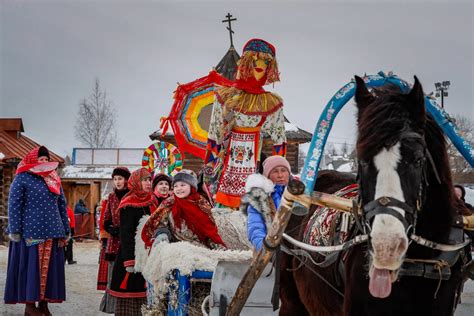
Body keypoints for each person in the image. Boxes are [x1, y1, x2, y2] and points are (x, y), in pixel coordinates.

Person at [204, 38, 287, 208]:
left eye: (265, 61)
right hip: (225, 167)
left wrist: (276, 174)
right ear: (246, 62)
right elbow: (214, 135)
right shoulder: (225, 97)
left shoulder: (272, 103)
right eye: (255, 59)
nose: (260, 64)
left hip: (255, 168)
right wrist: (209, 167)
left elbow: (280, 141)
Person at [4, 146, 70, 316]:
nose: (44, 162)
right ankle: (29, 304)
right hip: (30, 232)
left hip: (54, 231)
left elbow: (61, 204)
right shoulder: (22, 178)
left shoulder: (53, 178)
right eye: (41, 159)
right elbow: (14, 206)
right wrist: (15, 230)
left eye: (46, 159)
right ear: (33, 160)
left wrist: (66, 229)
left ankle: (44, 303)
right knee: (31, 268)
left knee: (50, 270)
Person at [108, 168, 158, 316]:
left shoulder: (152, 200)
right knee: (131, 294)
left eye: (149, 180)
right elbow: (126, 234)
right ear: (136, 182)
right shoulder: (128, 203)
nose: (148, 183)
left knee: (146, 296)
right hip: (132, 257)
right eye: (144, 180)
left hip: (149, 255)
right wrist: (129, 261)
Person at [142, 169, 225, 250]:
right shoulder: (169, 203)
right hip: (176, 246)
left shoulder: (201, 203)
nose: (179, 189)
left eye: (182, 185)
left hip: (200, 247)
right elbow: (160, 223)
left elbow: (209, 229)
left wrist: (216, 246)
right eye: (175, 186)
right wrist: (162, 235)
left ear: (191, 187)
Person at [99, 166, 131, 314]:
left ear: (126, 180)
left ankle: (123, 309)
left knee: (124, 276)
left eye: (120, 179)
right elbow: (106, 218)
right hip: (113, 243)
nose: (118, 182)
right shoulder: (111, 197)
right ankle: (111, 308)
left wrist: (124, 229)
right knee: (112, 276)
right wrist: (110, 228)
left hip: (127, 241)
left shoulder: (132, 195)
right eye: (115, 179)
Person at [246, 155, 291, 251]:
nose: (280, 175)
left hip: (297, 247)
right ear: (268, 176)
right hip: (271, 247)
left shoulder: (299, 194)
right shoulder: (259, 198)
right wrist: (264, 248)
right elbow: (255, 227)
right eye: (275, 171)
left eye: (283, 170)